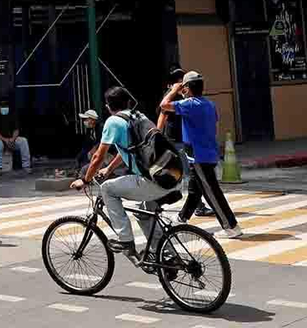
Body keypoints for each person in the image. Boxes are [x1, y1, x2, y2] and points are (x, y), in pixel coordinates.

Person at [73, 86, 169, 254]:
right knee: (143, 211)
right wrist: (109, 169)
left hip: (152, 180)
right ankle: (168, 256)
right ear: (129, 102)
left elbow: (97, 157)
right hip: (169, 174)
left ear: (108, 106)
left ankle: (125, 241)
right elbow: (128, 149)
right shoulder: (139, 116)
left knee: (107, 189)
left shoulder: (113, 122)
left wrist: (85, 180)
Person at [159, 72, 240, 238]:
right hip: (208, 152)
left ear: (187, 88)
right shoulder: (209, 104)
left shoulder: (189, 104)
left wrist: (174, 90)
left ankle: (231, 226)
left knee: (212, 192)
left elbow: (164, 105)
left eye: (184, 87)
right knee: (195, 190)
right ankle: (182, 217)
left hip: (199, 156)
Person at [0, 99, 31, 174]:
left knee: (23, 140)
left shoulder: (12, 115)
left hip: (11, 140)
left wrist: (13, 139)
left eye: (6, 106)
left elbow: (16, 130)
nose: (4, 108)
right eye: (2, 107)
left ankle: (26, 166)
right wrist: (5, 140)